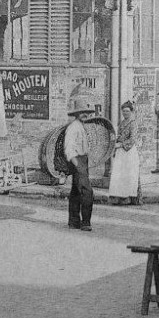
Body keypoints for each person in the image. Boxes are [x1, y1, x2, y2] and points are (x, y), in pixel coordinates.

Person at [63, 98, 95, 231]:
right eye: (82, 112)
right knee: (87, 192)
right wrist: (77, 164)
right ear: (76, 114)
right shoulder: (73, 128)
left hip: (82, 160)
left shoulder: (81, 126)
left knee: (76, 192)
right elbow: (68, 149)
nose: (85, 115)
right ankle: (85, 223)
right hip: (77, 161)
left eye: (86, 112)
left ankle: (74, 221)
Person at [109, 101, 140, 206]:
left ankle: (128, 197)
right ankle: (119, 197)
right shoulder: (122, 123)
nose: (125, 113)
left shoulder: (133, 123)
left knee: (129, 174)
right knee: (119, 174)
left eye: (127, 111)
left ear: (131, 111)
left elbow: (133, 139)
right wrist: (115, 142)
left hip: (129, 151)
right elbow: (119, 136)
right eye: (123, 111)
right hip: (120, 152)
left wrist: (121, 145)